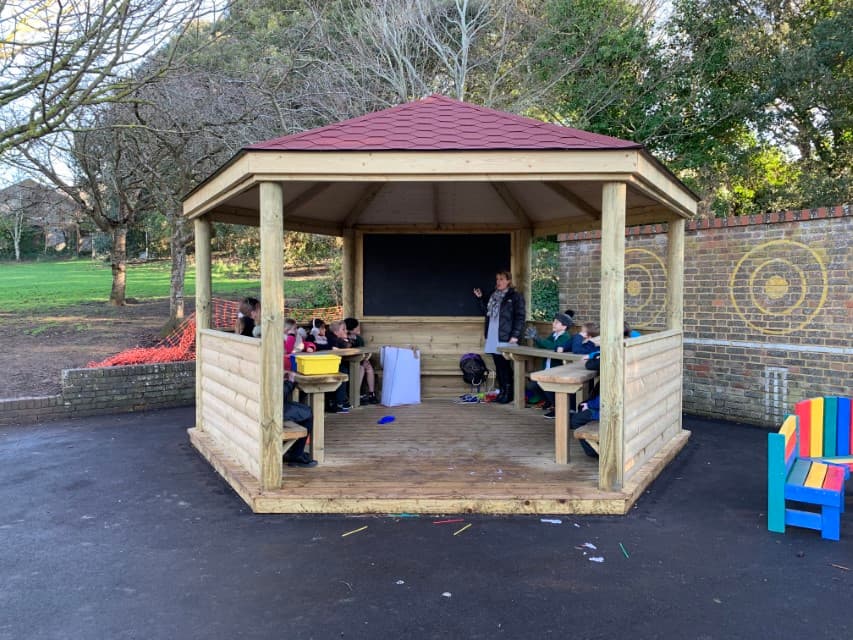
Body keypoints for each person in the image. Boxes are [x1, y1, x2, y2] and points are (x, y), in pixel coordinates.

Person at [473, 269, 526, 404]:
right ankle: (502, 391)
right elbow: (487, 312)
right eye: (497, 279)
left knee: (505, 365)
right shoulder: (493, 295)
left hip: (506, 336)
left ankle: (509, 394)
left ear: (508, 281)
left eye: (502, 279)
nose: (499, 282)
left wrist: (515, 335)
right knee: (498, 365)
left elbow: (520, 317)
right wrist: (480, 299)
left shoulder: (515, 296)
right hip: (492, 334)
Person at [527, 312, 574, 418]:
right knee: (533, 385)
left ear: (564, 326)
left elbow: (553, 346)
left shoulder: (565, 337)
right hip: (547, 370)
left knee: (548, 386)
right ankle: (550, 403)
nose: (553, 323)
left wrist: (538, 338)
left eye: (557, 322)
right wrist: (535, 339)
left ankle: (558, 408)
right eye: (554, 321)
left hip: (558, 371)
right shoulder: (553, 335)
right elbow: (543, 345)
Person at [282, 374, 318, 467]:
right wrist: (290, 382)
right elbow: (280, 394)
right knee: (307, 414)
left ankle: (290, 450)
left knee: (303, 410)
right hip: (273, 410)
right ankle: (296, 455)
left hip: (265, 407)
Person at [344, 317, 378, 405]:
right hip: (347, 361)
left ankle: (371, 393)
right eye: (357, 327)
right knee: (361, 368)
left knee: (368, 366)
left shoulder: (358, 338)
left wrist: (365, 358)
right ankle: (355, 395)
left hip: (360, 359)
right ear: (351, 329)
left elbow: (363, 350)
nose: (359, 328)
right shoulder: (344, 338)